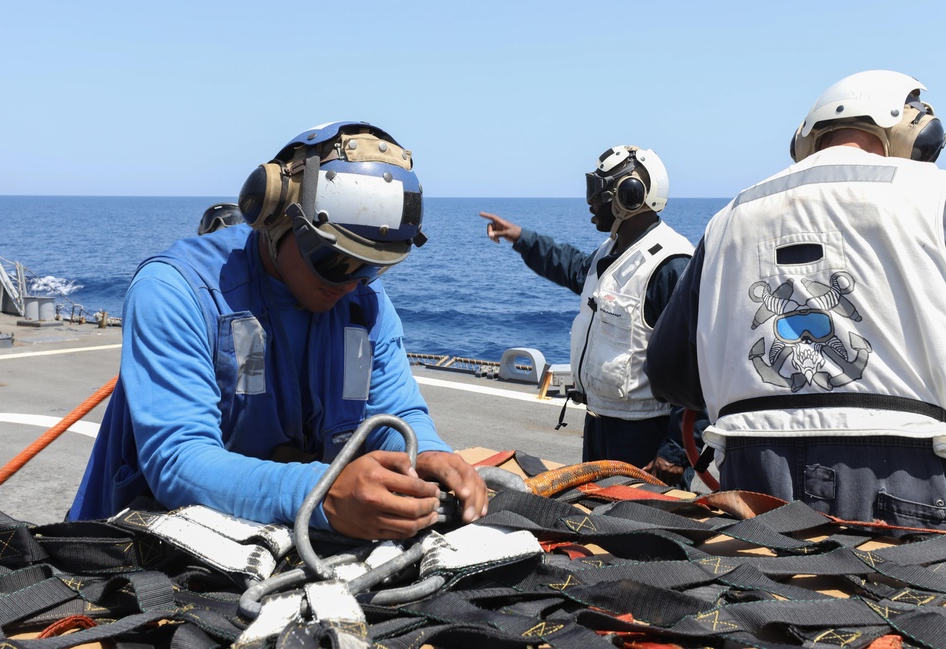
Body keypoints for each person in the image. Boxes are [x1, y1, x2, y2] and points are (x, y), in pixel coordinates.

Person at [69, 121, 488, 540]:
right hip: (138, 546)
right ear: (274, 215)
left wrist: (429, 454)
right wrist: (322, 494)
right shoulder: (173, 291)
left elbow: (395, 413)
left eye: (372, 266)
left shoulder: (363, 299)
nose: (350, 283)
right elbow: (178, 460)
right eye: (334, 260)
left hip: (279, 544)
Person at [646, 70, 946, 529]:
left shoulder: (729, 217)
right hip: (910, 473)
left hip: (753, 473)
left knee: (762, 598)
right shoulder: (933, 193)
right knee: (901, 600)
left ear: (807, 138)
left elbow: (667, 371)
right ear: (915, 134)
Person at [480, 145, 695, 478]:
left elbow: (698, 366)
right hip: (600, 424)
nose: (590, 202)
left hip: (643, 435)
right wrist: (521, 238)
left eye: (598, 193)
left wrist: (676, 452)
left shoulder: (671, 265)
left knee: (636, 525)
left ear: (630, 195)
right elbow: (572, 266)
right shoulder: (612, 252)